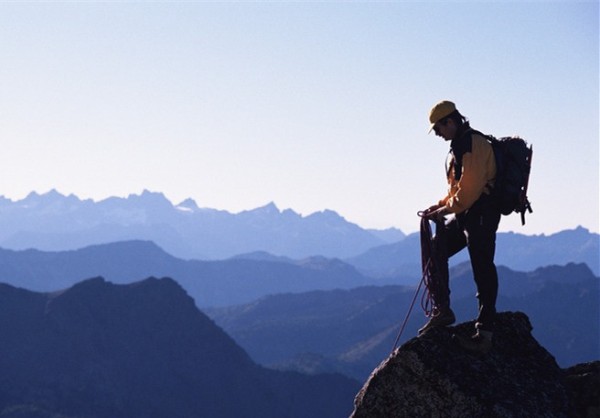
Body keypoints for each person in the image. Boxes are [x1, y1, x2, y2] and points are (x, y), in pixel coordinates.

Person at [419, 100, 501, 353]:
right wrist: (441, 206)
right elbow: (458, 190)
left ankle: (484, 333)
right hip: (468, 214)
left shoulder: (473, 144)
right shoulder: (459, 146)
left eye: (439, 129)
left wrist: (445, 210)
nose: (438, 135)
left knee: (482, 268)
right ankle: (443, 310)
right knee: (436, 249)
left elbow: (469, 192)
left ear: (450, 122)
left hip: (481, 215)